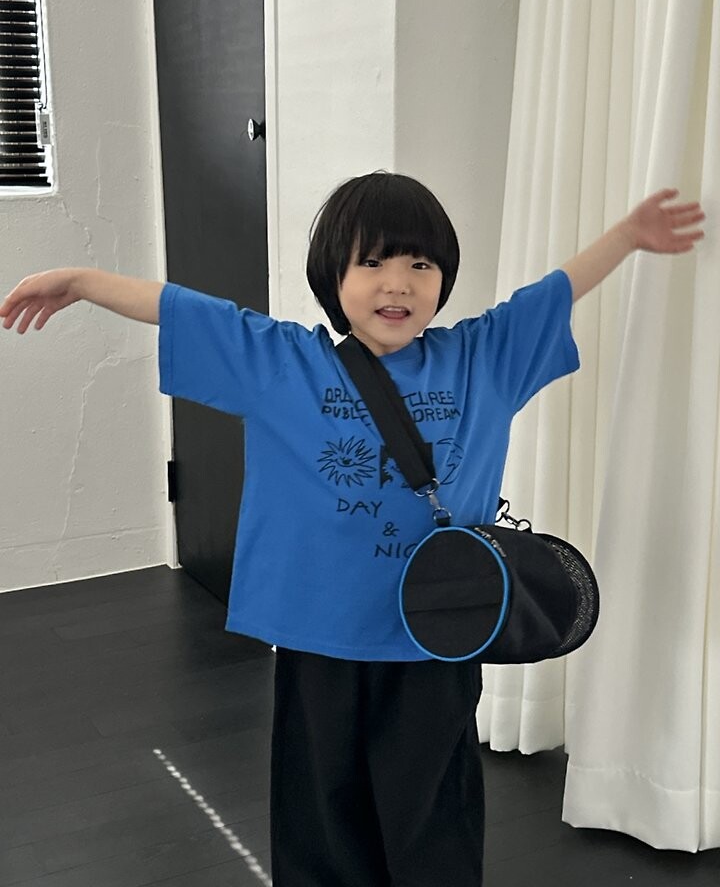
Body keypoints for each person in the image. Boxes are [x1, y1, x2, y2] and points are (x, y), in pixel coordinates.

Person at [0, 172, 705, 885]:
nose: (397, 283)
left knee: (433, 813)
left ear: (443, 279)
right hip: (321, 637)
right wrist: (82, 281)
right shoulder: (284, 363)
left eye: (419, 264)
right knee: (320, 813)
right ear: (331, 276)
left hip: (440, 635)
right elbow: (186, 309)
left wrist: (627, 236)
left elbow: (550, 295)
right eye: (371, 262)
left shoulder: (483, 360)